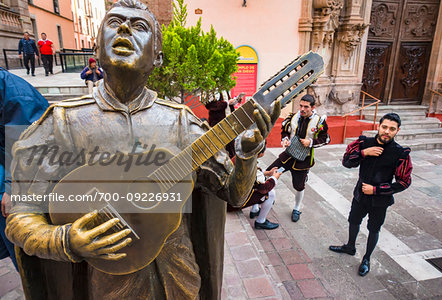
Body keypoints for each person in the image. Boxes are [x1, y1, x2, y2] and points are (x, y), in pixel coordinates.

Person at [6, 1, 280, 299]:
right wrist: (65, 239)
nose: (124, 28)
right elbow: (21, 217)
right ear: (96, 49)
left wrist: (247, 156)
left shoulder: (181, 122)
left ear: (157, 57)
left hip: (180, 279)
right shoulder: (61, 123)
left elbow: (234, 195)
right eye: (114, 23)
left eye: (139, 27)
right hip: (108, 284)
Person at [329, 113, 412, 277]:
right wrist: (364, 153)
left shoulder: (400, 153)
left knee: (374, 228)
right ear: (378, 126)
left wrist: (376, 190)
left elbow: (404, 182)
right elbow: (346, 162)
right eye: (384, 127)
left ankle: (366, 259)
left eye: (392, 129)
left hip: (380, 200)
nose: (387, 131)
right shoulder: (363, 143)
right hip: (360, 195)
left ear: (397, 131)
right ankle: (350, 246)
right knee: (353, 220)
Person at [0, 67, 49, 270]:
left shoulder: (14, 91)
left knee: (26, 258)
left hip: (10, 190)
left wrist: (12, 189)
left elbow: (33, 143)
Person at [266, 94, 329, 222]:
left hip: (303, 160)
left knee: (299, 186)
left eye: (306, 107)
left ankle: (296, 207)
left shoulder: (319, 122)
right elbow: (285, 131)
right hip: (288, 156)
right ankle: (264, 200)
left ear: (312, 107)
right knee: (269, 173)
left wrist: (310, 142)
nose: (302, 109)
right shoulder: (293, 117)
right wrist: (285, 140)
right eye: (301, 106)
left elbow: (326, 139)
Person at [228, 142, 280, 230]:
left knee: (255, 185)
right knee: (271, 193)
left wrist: (267, 173)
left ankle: (255, 210)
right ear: (261, 153)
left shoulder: (241, 156)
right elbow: (264, 188)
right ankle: (261, 221)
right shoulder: (250, 166)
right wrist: (274, 178)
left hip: (227, 195)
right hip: (232, 203)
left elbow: (255, 174)